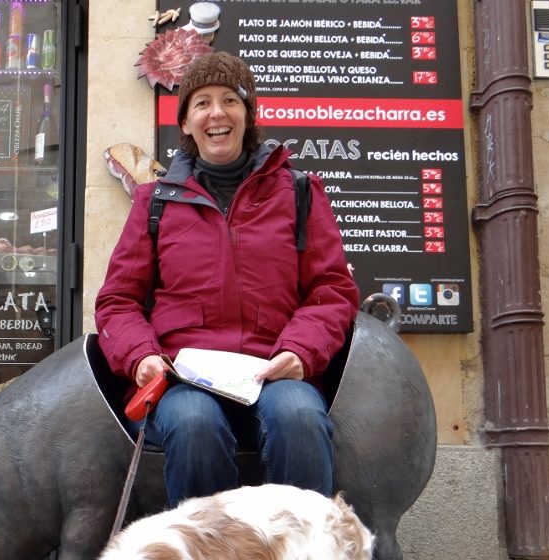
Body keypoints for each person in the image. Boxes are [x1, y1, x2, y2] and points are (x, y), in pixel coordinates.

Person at [95, 51, 359, 506]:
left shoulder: (299, 193)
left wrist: (300, 351)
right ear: (186, 122)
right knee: (194, 423)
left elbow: (332, 291)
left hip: (273, 374)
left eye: (229, 100)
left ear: (248, 113)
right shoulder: (154, 202)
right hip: (183, 382)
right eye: (201, 103)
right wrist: (142, 357)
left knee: (299, 415)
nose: (216, 113)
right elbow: (117, 301)